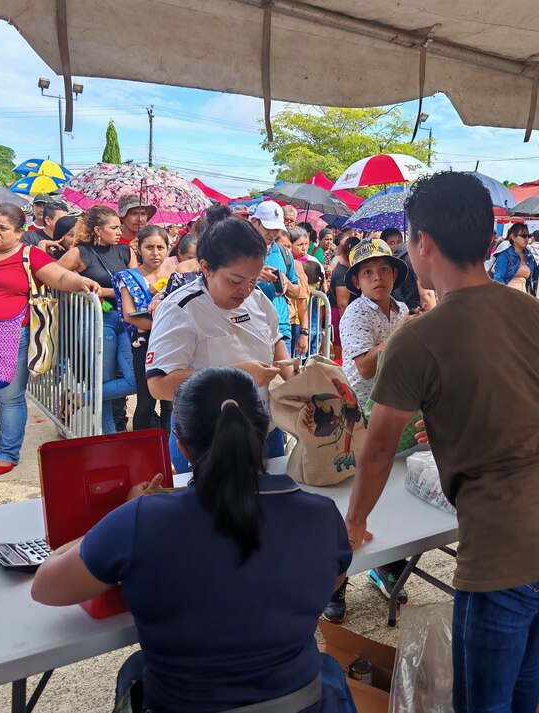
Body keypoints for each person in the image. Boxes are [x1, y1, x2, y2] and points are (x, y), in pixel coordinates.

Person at [345, 172, 539, 713]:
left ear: (424, 244)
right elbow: (520, 401)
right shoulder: (531, 308)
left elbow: (374, 450)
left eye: (408, 240)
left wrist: (354, 522)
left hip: (509, 546)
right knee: (523, 671)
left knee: (482, 703)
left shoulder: (416, 337)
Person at [32, 367, 354, 712]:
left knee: (135, 670)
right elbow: (332, 581)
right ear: (263, 433)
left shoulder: (143, 519)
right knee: (329, 667)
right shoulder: (322, 514)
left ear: (181, 445)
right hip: (299, 704)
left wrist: (125, 514)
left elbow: (46, 587)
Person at [0, 204, 100, 476]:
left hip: (12, 338)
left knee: (10, 398)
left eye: (3, 228)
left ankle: (7, 453)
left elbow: (61, 276)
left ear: (19, 233)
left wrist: (81, 283)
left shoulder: (31, 256)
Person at [146, 214, 295, 473]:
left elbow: (275, 339)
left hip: (263, 432)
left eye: (253, 279)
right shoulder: (180, 309)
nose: (245, 290)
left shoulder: (258, 299)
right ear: (206, 267)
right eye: (235, 280)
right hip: (206, 439)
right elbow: (159, 386)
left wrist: (292, 381)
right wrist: (238, 376)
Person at [327, 237, 412, 622]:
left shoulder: (402, 308)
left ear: (395, 274)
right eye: (367, 272)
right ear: (357, 281)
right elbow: (363, 368)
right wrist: (401, 336)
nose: (377, 277)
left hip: (395, 408)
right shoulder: (356, 314)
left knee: (392, 492)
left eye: (383, 269)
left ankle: (387, 565)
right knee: (355, 498)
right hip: (360, 413)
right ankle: (337, 581)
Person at [58, 206, 138, 434]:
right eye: (113, 228)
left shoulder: (125, 252)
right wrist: (79, 283)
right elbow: (54, 276)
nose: (119, 232)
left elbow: (133, 287)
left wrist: (102, 291)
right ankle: (109, 436)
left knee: (132, 381)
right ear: (97, 230)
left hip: (124, 321)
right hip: (95, 321)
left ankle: (77, 398)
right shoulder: (79, 253)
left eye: (119, 227)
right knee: (103, 380)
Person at [115, 225, 176, 432]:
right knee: (146, 401)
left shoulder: (177, 275)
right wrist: (163, 327)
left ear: (168, 248)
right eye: (149, 247)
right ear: (138, 249)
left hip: (174, 345)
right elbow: (129, 315)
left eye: (160, 247)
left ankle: (169, 451)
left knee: (171, 400)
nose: (155, 253)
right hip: (145, 345)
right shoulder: (128, 277)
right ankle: (142, 451)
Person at [250, 201, 302, 355]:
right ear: (255, 222)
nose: (273, 234)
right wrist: (253, 276)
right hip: (250, 327)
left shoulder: (284, 253)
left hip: (281, 329)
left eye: (277, 229)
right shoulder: (239, 251)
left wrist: (286, 284)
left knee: (284, 377)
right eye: (268, 228)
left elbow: (296, 292)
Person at [326, 236, 360, 360]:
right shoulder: (343, 274)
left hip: (346, 315)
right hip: (340, 316)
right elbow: (342, 305)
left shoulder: (346, 268)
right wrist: (346, 327)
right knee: (341, 354)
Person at [279, 229, 310, 357]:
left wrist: (304, 332)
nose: (286, 251)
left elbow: (302, 301)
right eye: (283, 247)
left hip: (291, 323)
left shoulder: (296, 265)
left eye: (288, 247)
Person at [491, 222, 539, 293]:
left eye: (528, 236)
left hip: (525, 295)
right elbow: (498, 278)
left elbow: (536, 276)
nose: (526, 238)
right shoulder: (505, 255)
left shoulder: (529, 256)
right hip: (508, 295)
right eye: (523, 235)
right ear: (513, 237)